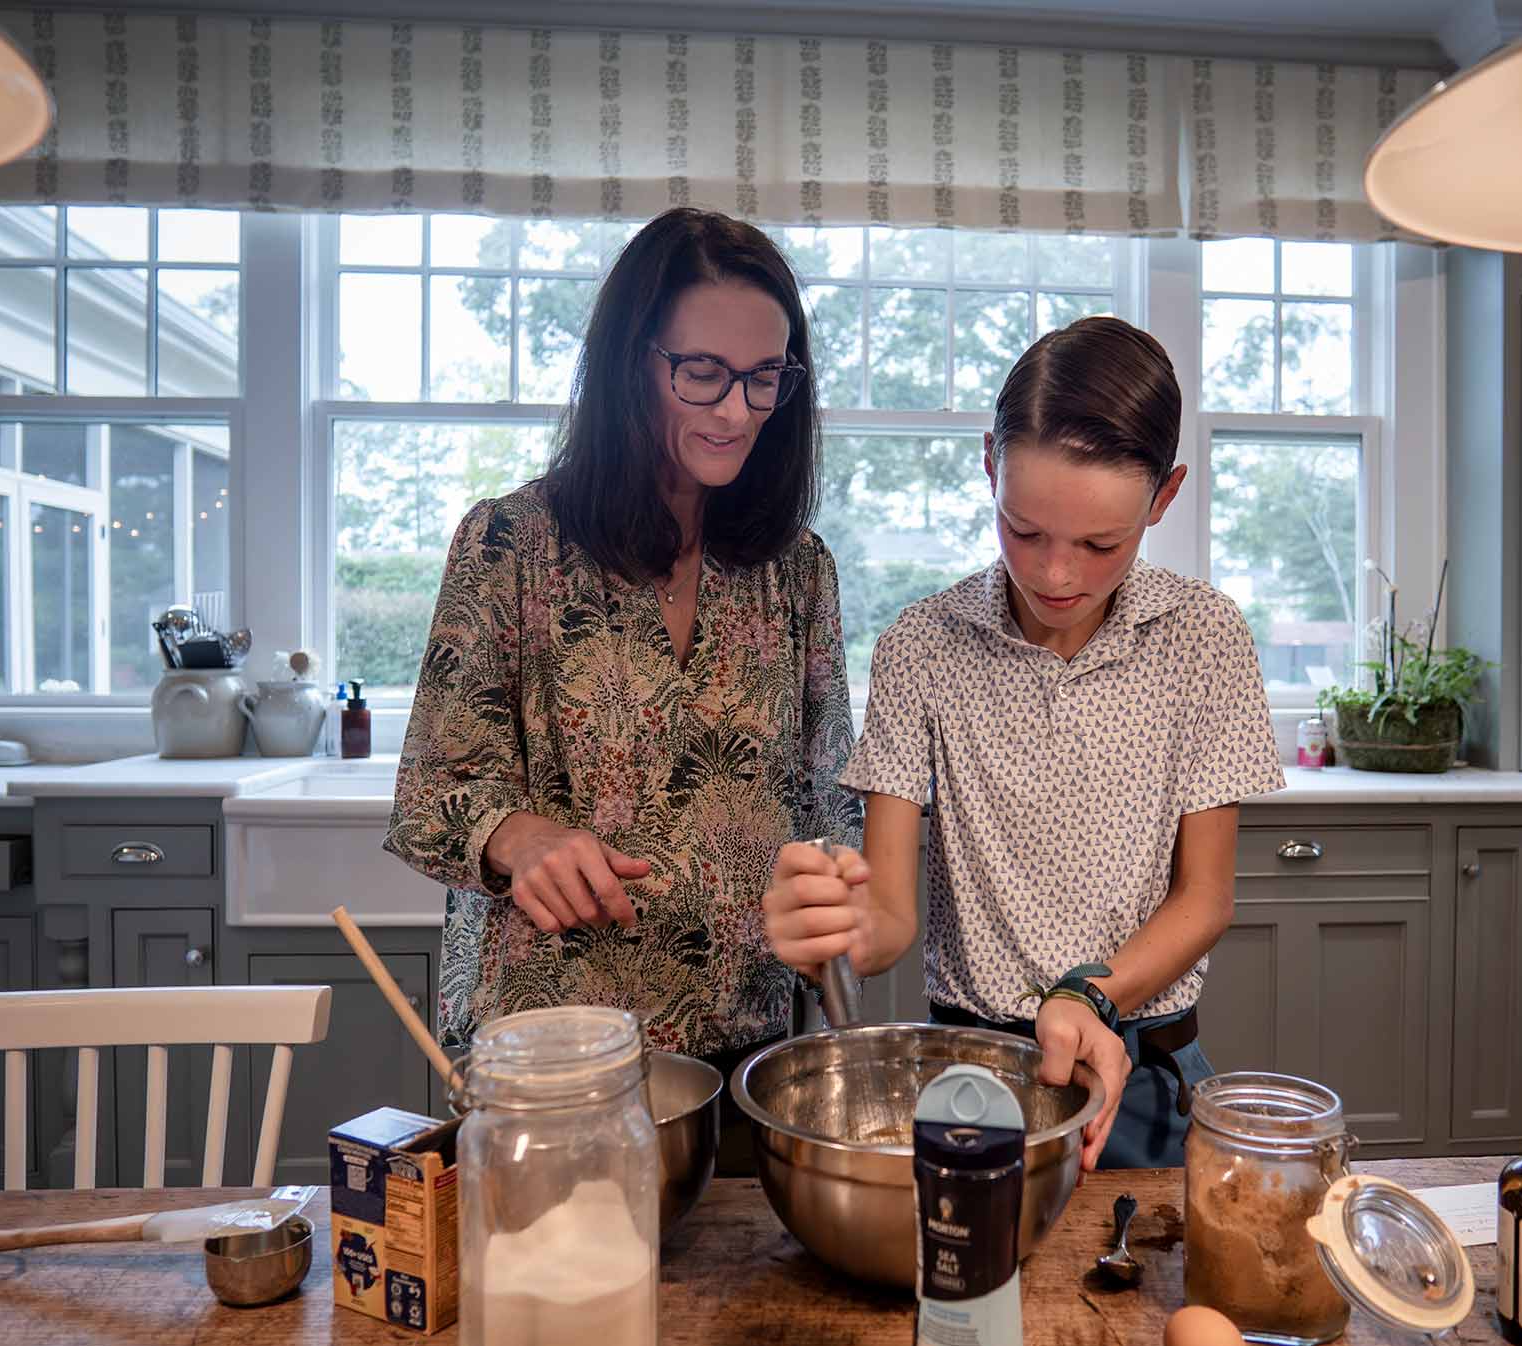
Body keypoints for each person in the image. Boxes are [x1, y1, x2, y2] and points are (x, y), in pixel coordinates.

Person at [761, 316, 1285, 1169]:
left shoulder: (1205, 637)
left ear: (1165, 495)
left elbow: (1205, 898)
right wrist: (838, 925)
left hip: (1141, 1072)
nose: (1056, 575)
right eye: (1024, 530)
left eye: (1100, 543)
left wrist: (1088, 994)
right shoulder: (921, 645)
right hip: (967, 1079)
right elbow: (890, 915)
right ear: (989, 466)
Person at [387, 208, 859, 1111]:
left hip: (752, 1044)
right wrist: (516, 836)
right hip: (555, 1049)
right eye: (703, 373)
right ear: (630, 364)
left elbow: (828, 798)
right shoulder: (511, 545)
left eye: (765, 379)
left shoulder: (798, 570)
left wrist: (839, 885)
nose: (736, 411)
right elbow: (428, 795)